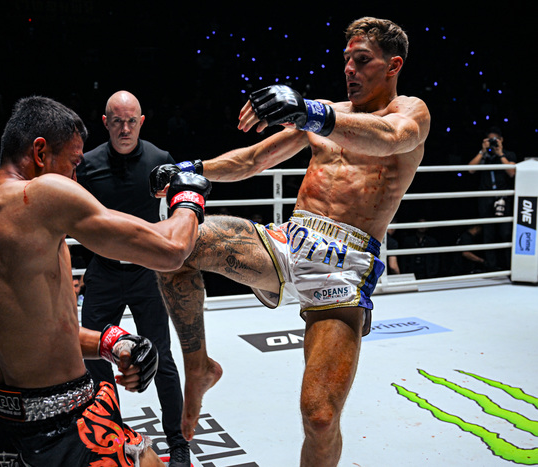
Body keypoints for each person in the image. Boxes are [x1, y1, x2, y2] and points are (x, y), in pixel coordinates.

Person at [150, 17, 430, 466]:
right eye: (347, 60)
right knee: (173, 246)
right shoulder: (323, 112)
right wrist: (192, 169)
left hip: (345, 266)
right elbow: (253, 160)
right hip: (289, 240)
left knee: (320, 417)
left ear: (393, 65)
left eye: (362, 60)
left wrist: (314, 113)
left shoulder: (409, 112)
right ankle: (199, 367)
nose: (350, 69)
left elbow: (391, 139)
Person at [0, 95, 211, 466]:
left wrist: (112, 342)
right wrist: (188, 199)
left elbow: (32, 336)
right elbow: (171, 250)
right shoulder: (40, 194)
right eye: (74, 163)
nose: (77, 177)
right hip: (64, 429)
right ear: (40, 153)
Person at [76, 90, 191, 465]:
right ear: (105, 122)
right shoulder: (87, 165)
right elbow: (70, 218)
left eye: (131, 121)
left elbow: (183, 215)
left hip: (146, 274)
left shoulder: (160, 160)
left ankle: (178, 442)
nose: (124, 129)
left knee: (163, 358)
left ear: (141, 122)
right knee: (94, 359)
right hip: (104, 272)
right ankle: (106, 435)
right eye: (117, 121)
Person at [468, 126, 517, 270]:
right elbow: (470, 169)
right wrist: (482, 151)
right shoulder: (484, 157)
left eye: (495, 139)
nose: (493, 142)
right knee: (488, 233)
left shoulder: (509, 154)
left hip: (504, 197)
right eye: (490, 140)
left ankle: (509, 267)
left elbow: (512, 173)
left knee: (506, 233)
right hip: (486, 198)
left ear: (501, 140)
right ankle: (491, 267)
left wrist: (500, 153)